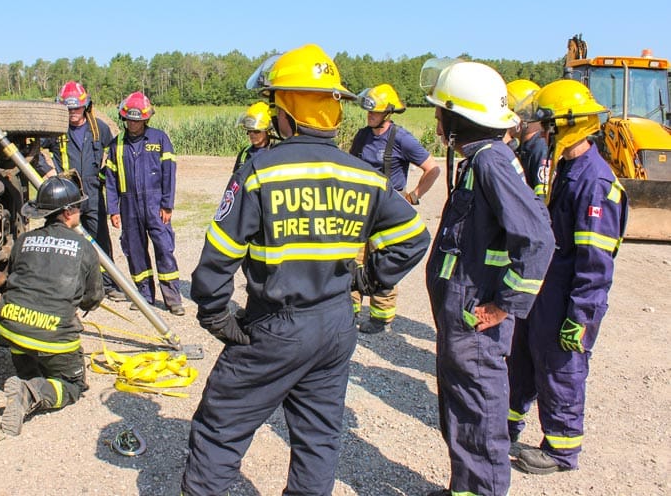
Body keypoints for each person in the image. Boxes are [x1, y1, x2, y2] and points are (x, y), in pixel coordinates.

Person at [180, 44, 430, 496]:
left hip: (276, 326)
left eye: (276, 105)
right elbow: (414, 237)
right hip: (336, 326)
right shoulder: (364, 175)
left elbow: (220, 249)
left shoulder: (259, 171)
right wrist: (367, 279)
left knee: (221, 428)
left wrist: (214, 312)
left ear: (288, 111)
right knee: (318, 439)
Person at [422, 60, 555, 496]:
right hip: (460, 320)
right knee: (462, 418)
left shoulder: (491, 162)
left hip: (474, 321)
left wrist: (503, 306)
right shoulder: (479, 159)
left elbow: (537, 238)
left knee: (478, 422)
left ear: (458, 118)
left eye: (441, 111)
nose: (437, 119)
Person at [510, 80, 628, 475]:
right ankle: (507, 422)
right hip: (544, 291)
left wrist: (580, 316)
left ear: (567, 124)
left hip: (568, 298)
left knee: (561, 367)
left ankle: (561, 449)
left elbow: (595, 264)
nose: (541, 131)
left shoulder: (595, 182)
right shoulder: (566, 167)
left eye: (546, 123)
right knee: (523, 359)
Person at [0, 176, 103, 436]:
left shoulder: (24, 240)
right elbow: (93, 298)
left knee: (34, 361)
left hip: (12, 332)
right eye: (77, 206)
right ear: (67, 213)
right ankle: (31, 394)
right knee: (72, 385)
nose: (80, 210)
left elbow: (14, 279)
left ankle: (29, 375)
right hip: (52, 338)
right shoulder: (85, 249)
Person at [348, 83, 441, 333]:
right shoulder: (362, 136)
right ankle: (350, 310)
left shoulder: (401, 138)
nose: (370, 116)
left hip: (388, 212)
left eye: (374, 112)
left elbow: (433, 168)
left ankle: (380, 318)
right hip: (362, 208)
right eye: (368, 112)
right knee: (353, 260)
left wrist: (413, 196)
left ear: (387, 113)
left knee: (382, 263)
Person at [37, 81, 123, 299]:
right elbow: (32, 149)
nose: (72, 112)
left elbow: (116, 153)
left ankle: (107, 285)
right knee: (63, 239)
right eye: (67, 108)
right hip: (67, 194)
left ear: (85, 106)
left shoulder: (98, 128)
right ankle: (65, 285)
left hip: (93, 193)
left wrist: (104, 176)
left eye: (76, 108)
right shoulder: (56, 130)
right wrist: (47, 172)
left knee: (100, 239)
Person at [104, 91, 184, 315]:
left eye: (137, 120)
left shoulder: (159, 139)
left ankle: (173, 299)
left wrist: (167, 205)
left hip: (155, 203)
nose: (133, 123)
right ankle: (145, 295)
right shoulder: (116, 144)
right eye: (130, 119)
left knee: (164, 250)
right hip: (128, 206)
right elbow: (110, 180)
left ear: (146, 119)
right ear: (124, 118)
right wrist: (113, 209)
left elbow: (169, 174)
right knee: (135, 252)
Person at [505, 79, 548, 197]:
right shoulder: (525, 147)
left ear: (523, 116)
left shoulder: (540, 149)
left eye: (509, 115)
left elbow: (542, 199)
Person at [232, 101, 274, 173]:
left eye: (256, 131)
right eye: (249, 130)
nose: (252, 134)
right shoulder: (244, 154)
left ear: (268, 131)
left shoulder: (275, 153)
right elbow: (236, 181)